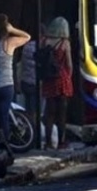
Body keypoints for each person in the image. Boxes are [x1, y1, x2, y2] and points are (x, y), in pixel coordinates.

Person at [0, 14, 30, 138]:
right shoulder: (9, 42)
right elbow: (27, 37)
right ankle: (4, 145)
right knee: (3, 119)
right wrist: (12, 29)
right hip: (5, 85)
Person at [40, 17, 73, 150]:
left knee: (50, 113)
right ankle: (61, 142)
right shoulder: (64, 43)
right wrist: (69, 76)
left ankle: (48, 142)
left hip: (48, 79)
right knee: (62, 114)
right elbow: (69, 64)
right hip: (61, 79)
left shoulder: (44, 41)